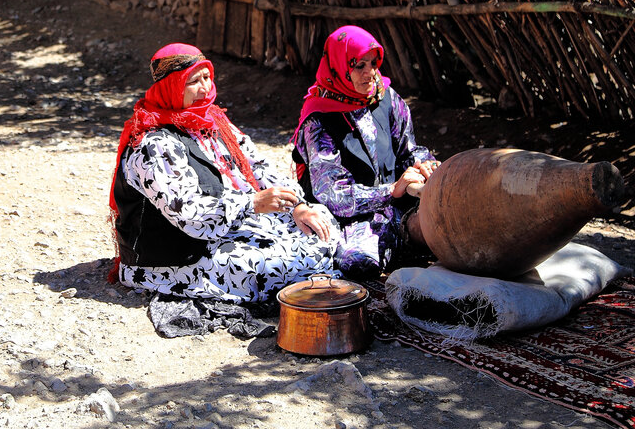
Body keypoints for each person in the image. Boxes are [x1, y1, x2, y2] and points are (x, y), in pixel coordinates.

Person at [110, 43, 338, 303]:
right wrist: (252, 203)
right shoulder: (154, 143)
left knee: (320, 221)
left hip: (225, 227)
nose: (205, 88)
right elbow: (189, 215)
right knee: (273, 263)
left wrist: (296, 205)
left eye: (207, 77)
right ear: (171, 85)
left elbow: (258, 166)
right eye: (193, 81)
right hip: (174, 254)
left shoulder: (213, 121)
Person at [292, 25, 439, 277]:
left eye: (373, 63)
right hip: (351, 217)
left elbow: (409, 150)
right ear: (340, 66)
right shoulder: (318, 120)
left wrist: (425, 165)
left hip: (398, 202)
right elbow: (333, 195)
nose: (370, 73)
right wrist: (391, 191)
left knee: (454, 226)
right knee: (359, 262)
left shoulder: (387, 98)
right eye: (359, 65)